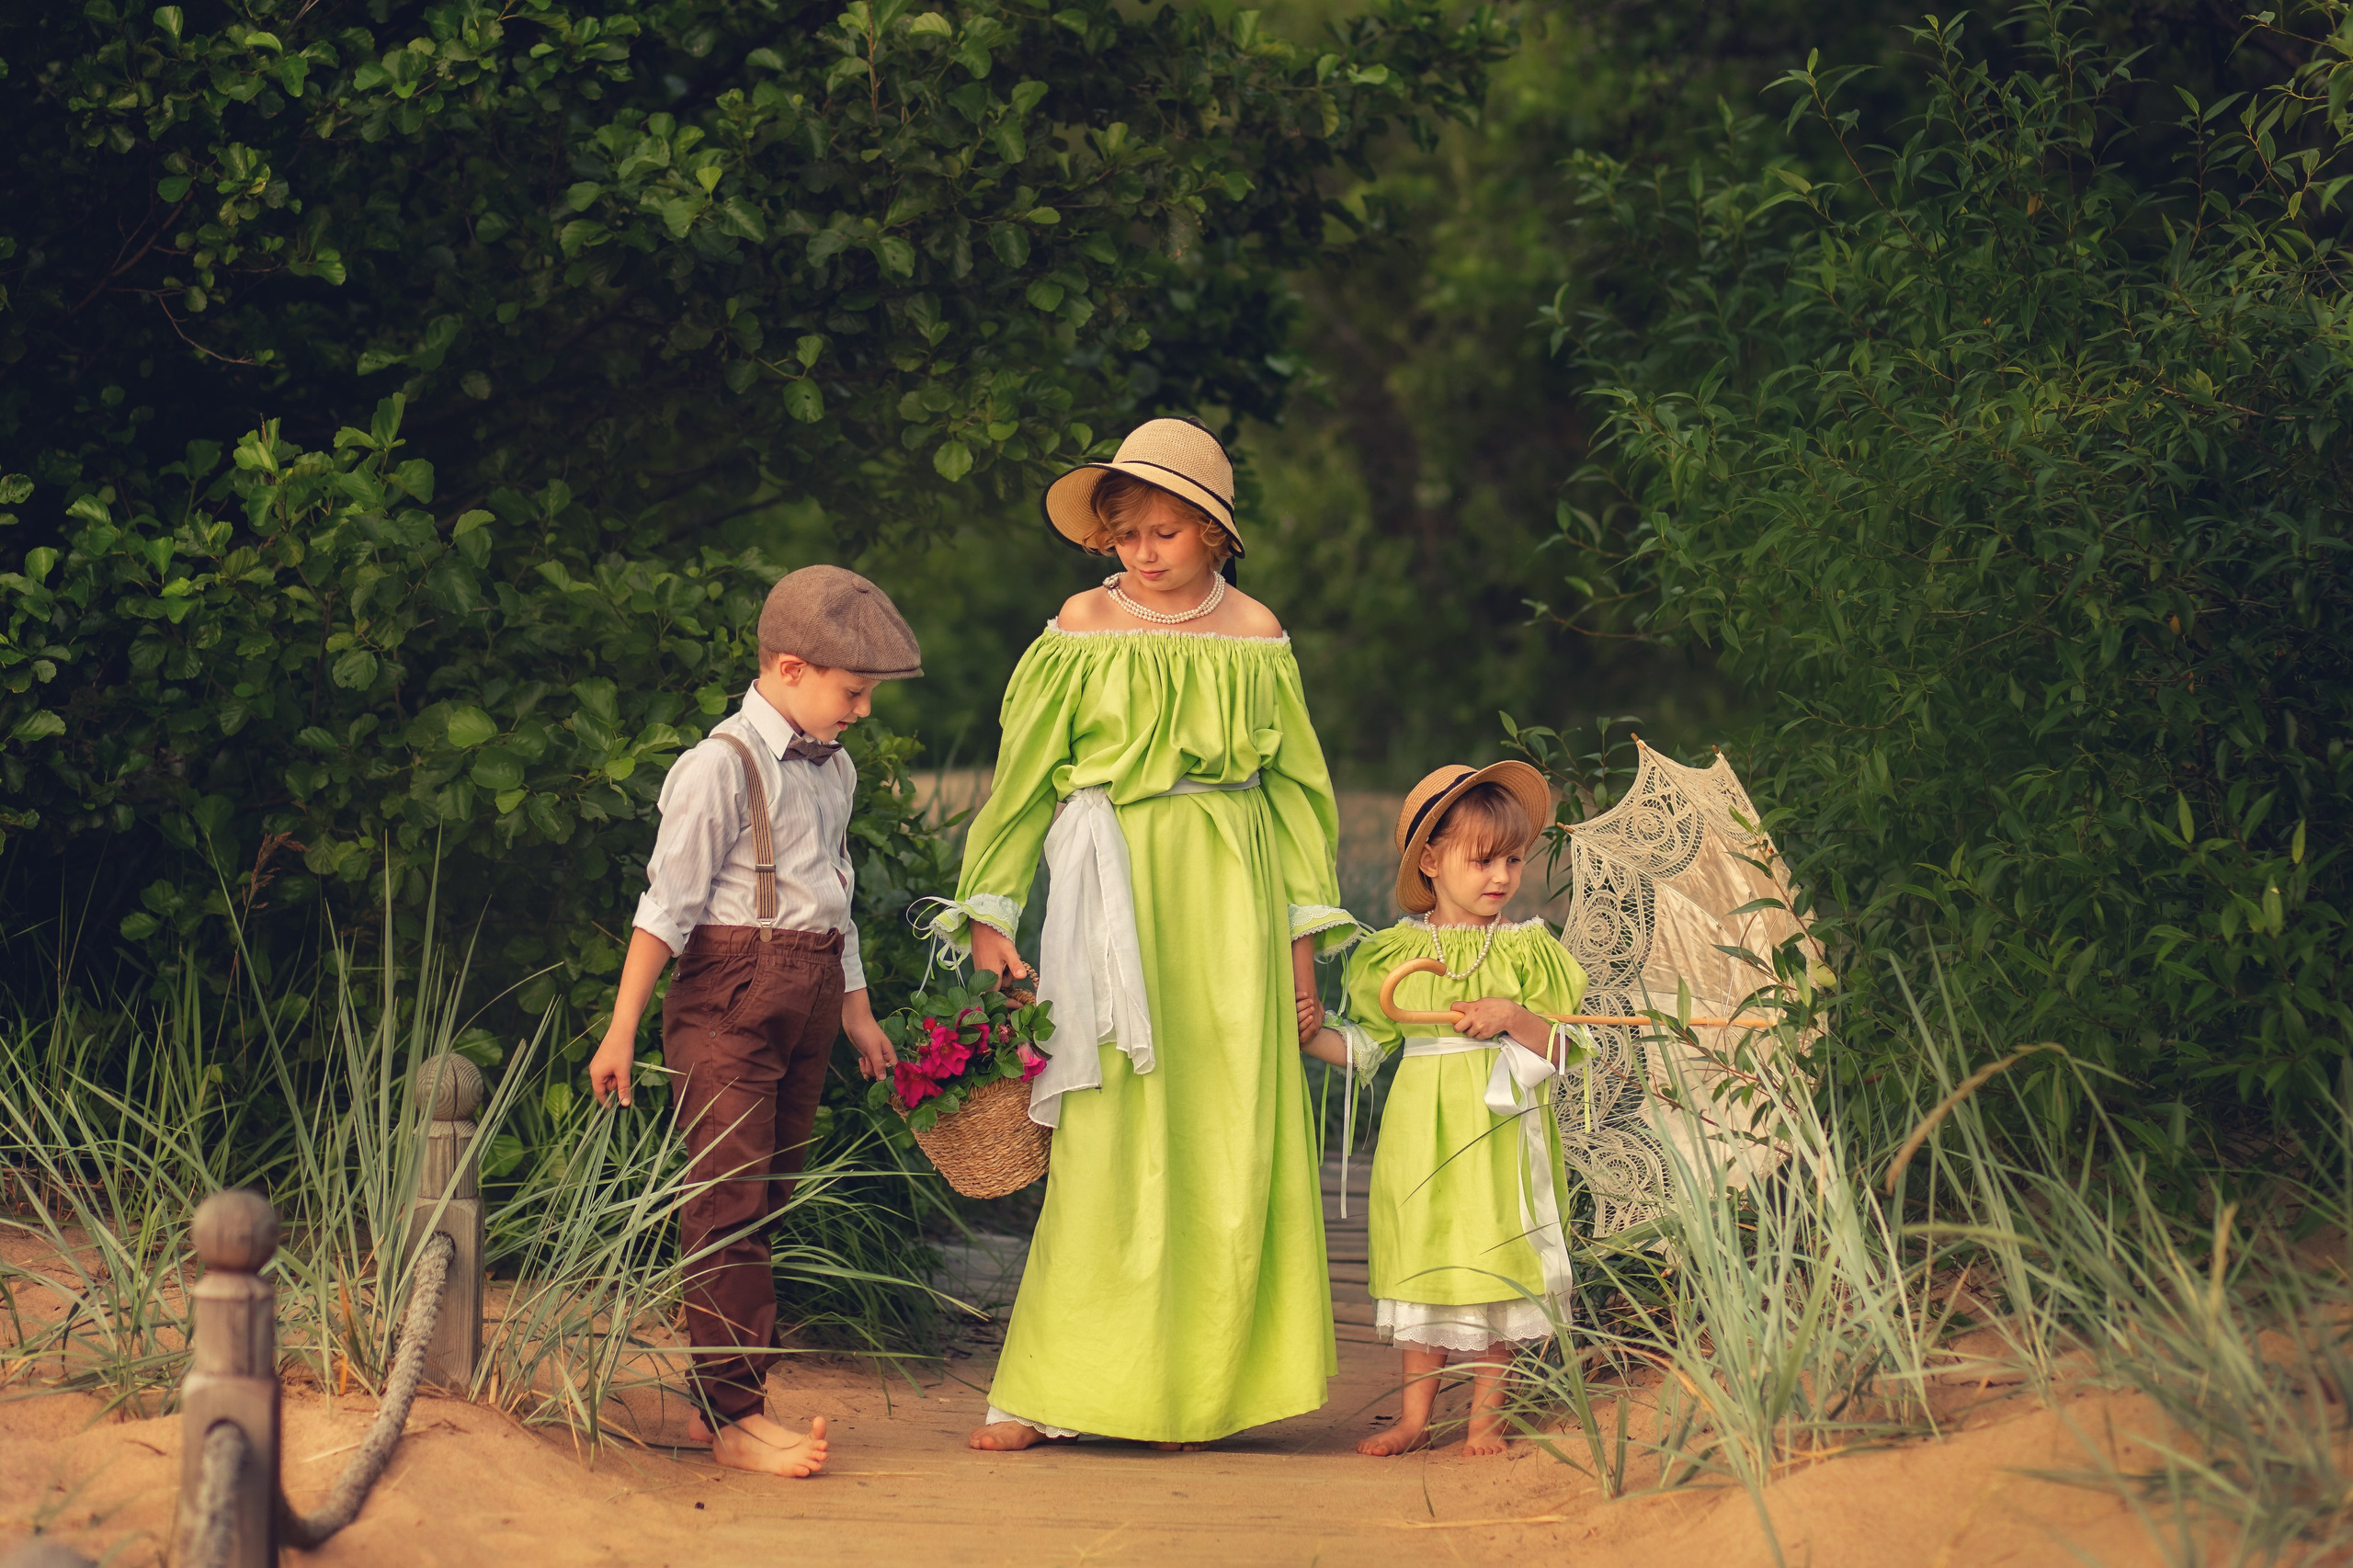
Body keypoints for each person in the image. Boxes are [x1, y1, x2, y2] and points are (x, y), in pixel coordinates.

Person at [927, 417, 1358, 1449]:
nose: (1144, 552)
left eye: (1165, 531)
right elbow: (1022, 780)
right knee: (1105, 1130)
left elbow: (1300, 802)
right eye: (1126, 535)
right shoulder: (1081, 626)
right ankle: (1051, 1388)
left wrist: (1301, 960)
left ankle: (1194, 1392)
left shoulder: (1256, 635)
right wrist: (990, 915)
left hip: (1233, 896)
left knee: (1222, 1130)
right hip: (1110, 889)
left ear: (1214, 531)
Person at [586, 564, 920, 1479]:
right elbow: (666, 908)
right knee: (727, 1199)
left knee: (767, 1194)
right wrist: (622, 1027)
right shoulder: (719, 767)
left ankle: (714, 1403)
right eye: (853, 692)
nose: (862, 711)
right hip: (728, 996)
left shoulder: (834, 767)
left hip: (808, 992)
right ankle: (736, 1414)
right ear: (789, 668)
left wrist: (856, 1010)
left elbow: (835, 897)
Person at [1303, 763, 1586, 1457]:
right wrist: (1312, 1037)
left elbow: (1564, 1048)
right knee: (1426, 1252)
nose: (1501, 876)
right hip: (1422, 1133)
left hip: (1500, 1131)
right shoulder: (1394, 952)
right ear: (1430, 862)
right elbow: (1368, 1047)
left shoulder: (1527, 949)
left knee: (1497, 1252)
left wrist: (1514, 1016)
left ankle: (1486, 1418)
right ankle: (1413, 1418)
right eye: (1482, 860)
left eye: (1513, 860)